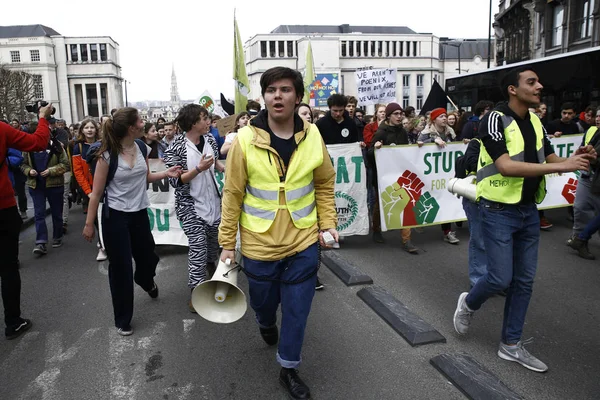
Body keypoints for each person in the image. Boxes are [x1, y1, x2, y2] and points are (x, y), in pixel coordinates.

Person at [453, 67, 595, 373]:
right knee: (499, 279)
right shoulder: (494, 119)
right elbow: (505, 167)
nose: (540, 86)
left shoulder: (535, 120)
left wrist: (576, 158)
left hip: (528, 211)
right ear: (512, 90)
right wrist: (565, 165)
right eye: (532, 82)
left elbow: (550, 158)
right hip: (497, 211)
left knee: (524, 282)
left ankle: (511, 345)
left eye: (539, 81)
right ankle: (468, 303)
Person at [219, 66, 338, 399]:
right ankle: (265, 322)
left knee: (298, 310)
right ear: (264, 97)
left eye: (285, 90)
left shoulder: (312, 134)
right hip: (259, 244)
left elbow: (324, 181)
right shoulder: (245, 139)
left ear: (297, 97)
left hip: (303, 240)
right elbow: (233, 193)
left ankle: (289, 368)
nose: (277, 96)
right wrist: (228, 243)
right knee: (264, 305)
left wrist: (327, 224)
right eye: (271, 90)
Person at [82, 107, 182, 336]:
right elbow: (96, 194)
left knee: (148, 257)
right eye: (140, 120)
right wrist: (89, 224)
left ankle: (145, 280)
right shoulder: (107, 156)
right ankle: (123, 319)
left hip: (139, 213)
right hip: (115, 216)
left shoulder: (141, 147)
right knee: (121, 269)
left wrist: (166, 174)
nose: (143, 123)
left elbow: (145, 176)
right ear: (131, 127)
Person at [164, 104, 224, 311]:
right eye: (204, 118)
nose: (208, 122)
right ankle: (196, 292)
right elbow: (176, 181)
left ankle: (210, 263)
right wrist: (198, 169)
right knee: (197, 245)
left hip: (213, 201)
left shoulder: (210, 140)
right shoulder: (175, 148)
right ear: (192, 123)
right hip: (189, 204)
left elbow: (216, 163)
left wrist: (229, 168)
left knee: (213, 242)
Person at [0, 103, 54, 339]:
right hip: (2, 207)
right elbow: (38, 142)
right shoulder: (1, 129)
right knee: (8, 266)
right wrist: (42, 117)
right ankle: (13, 321)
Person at [368, 103, 417, 253]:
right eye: (396, 113)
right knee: (379, 204)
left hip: (399, 173)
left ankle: (406, 239)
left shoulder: (402, 131)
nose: (399, 116)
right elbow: (369, 153)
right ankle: (376, 229)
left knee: (406, 202)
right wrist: (375, 148)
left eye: (401, 113)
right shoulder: (381, 132)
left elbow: (405, 151)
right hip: (383, 175)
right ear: (389, 116)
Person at [21, 122, 69, 255]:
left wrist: (51, 171)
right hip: (36, 186)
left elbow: (65, 164)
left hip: (54, 184)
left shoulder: (57, 146)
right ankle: (41, 242)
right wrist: (29, 171)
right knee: (39, 214)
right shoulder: (27, 148)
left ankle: (57, 236)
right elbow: (22, 165)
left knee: (56, 213)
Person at [418, 108, 460, 245]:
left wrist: (462, 144)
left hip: (445, 174)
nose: (444, 118)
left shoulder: (450, 133)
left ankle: (447, 232)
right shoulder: (425, 133)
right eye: (441, 116)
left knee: (447, 198)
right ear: (434, 119)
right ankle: (420, 220)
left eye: (445, 116)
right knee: (428, 197)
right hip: (429, 174)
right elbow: (417, 149)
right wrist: (432, 140)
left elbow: (455, 147)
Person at [296, 102, 325, 291]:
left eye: (309, 114)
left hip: (311, 201)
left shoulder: (315, 136)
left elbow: (324, 177)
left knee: (314, 243)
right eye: (303, 113)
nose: (308, 117)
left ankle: (312, 275)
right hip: (291, 206)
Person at [72, 118, 107, 261]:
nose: (90, 130)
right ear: (82, 130)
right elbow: (78, 172)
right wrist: (88, 191)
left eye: (92, 127)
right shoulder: (78, 147)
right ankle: (102, 247)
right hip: (89, 190)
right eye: (86, 128)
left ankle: (105, 242)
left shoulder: (103, 144)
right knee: (95, 219)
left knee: (105, 217)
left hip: (104, 188)